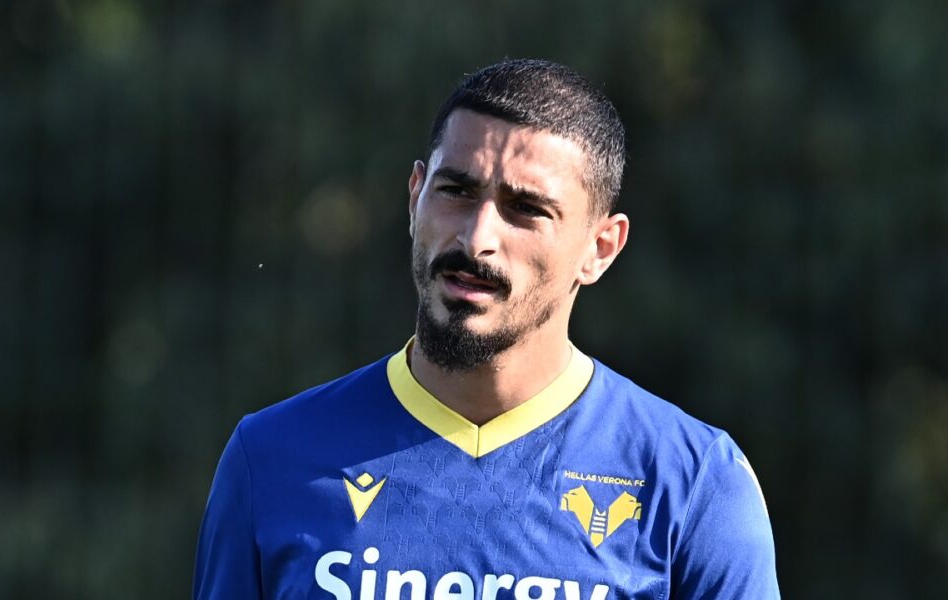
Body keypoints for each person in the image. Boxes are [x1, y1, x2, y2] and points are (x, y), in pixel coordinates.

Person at [194, 59, 780, 600]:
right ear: (415, 197)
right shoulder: (271, 457)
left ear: (600, 248)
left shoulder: (694, 483)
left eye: (526, 209)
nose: (476, 240)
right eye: (456, 191)